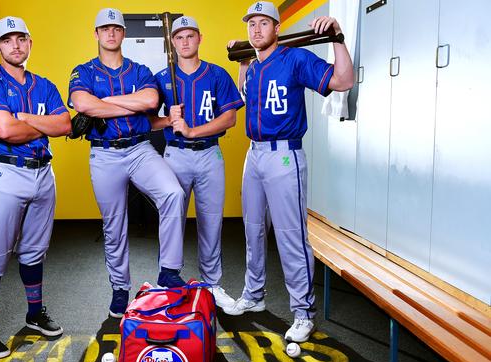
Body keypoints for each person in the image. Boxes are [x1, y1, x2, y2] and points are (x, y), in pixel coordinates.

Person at [223, 1, 354, 344]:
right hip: (254, 156)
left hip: (285, 156)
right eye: (251, 23)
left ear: (276, 29)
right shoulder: (253, 67)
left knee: (290, 235)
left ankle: (303, 312)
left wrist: (338, 38)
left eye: (263, 23)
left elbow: (343, 80)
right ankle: (254, 295)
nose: (255, 29)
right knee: (251, 230)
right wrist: (241, 61)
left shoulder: (295, 59)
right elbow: (245, 96)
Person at [68, 8, 187, 318]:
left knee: (173, 194)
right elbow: (81, 104)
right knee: (114, 225)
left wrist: (102, 104)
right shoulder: (83, 71)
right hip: (104, 154)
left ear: (123, 34)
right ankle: (120, 288)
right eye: (105, 28)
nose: (111, 33)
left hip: (139, 149)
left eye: (116, 28)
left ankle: (169, 270)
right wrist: (125, 104)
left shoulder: (140, 70)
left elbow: (149, 102)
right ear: (96, 34)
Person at [0, 16, 72, 358]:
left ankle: (34, 314)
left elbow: (65, 125)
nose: (15, 45)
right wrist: (40, 126)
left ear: (29, 42)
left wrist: (25, 119)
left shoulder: (43, 85)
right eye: (7, 40)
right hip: (5, 175)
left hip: (44, 173)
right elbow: (4, 131)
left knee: (34, 250)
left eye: (21, 39)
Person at [150, 16, 244, 310]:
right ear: (173, 42)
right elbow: (149, 122)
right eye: (179, 37)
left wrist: (192, 130)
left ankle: (212, 284)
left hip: (209, 154)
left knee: (211, 222)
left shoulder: (216, 75)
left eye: (190, 36)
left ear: (200, 38)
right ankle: (169, 278)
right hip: (175, 154)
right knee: (172, 219)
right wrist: (169, 118)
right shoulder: (162, 77)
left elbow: (230, 117)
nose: (185, 41)